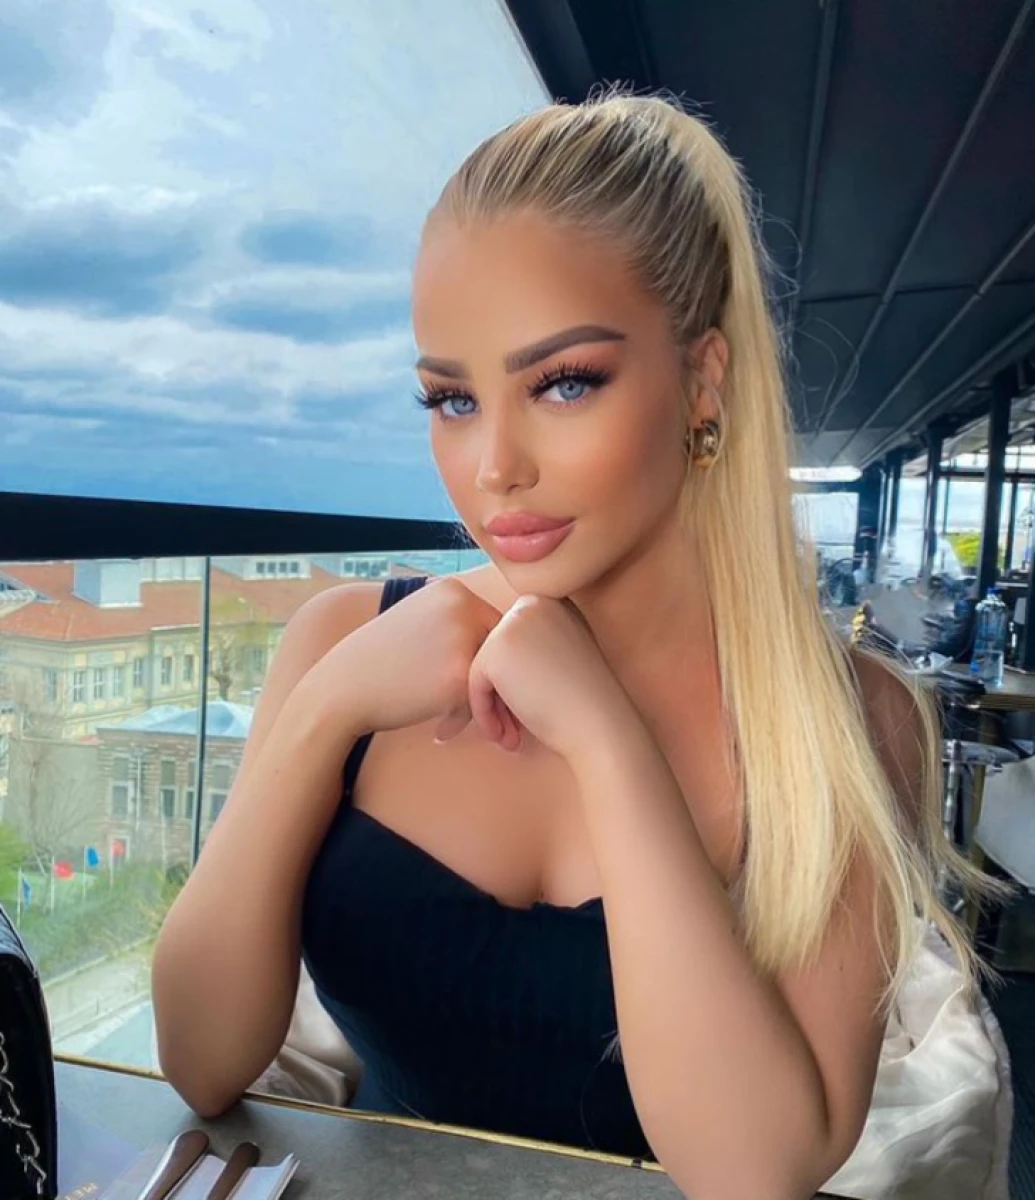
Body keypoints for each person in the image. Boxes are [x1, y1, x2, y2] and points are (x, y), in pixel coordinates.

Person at [152, 94, 996, 1199]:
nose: (493, 466)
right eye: (451, 398)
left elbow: (755, 1173)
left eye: (563, 383)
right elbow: (201, 1061)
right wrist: (321, 713)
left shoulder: (850, 720)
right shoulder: (344, 640)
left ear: (703, 380)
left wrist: (607, 741)